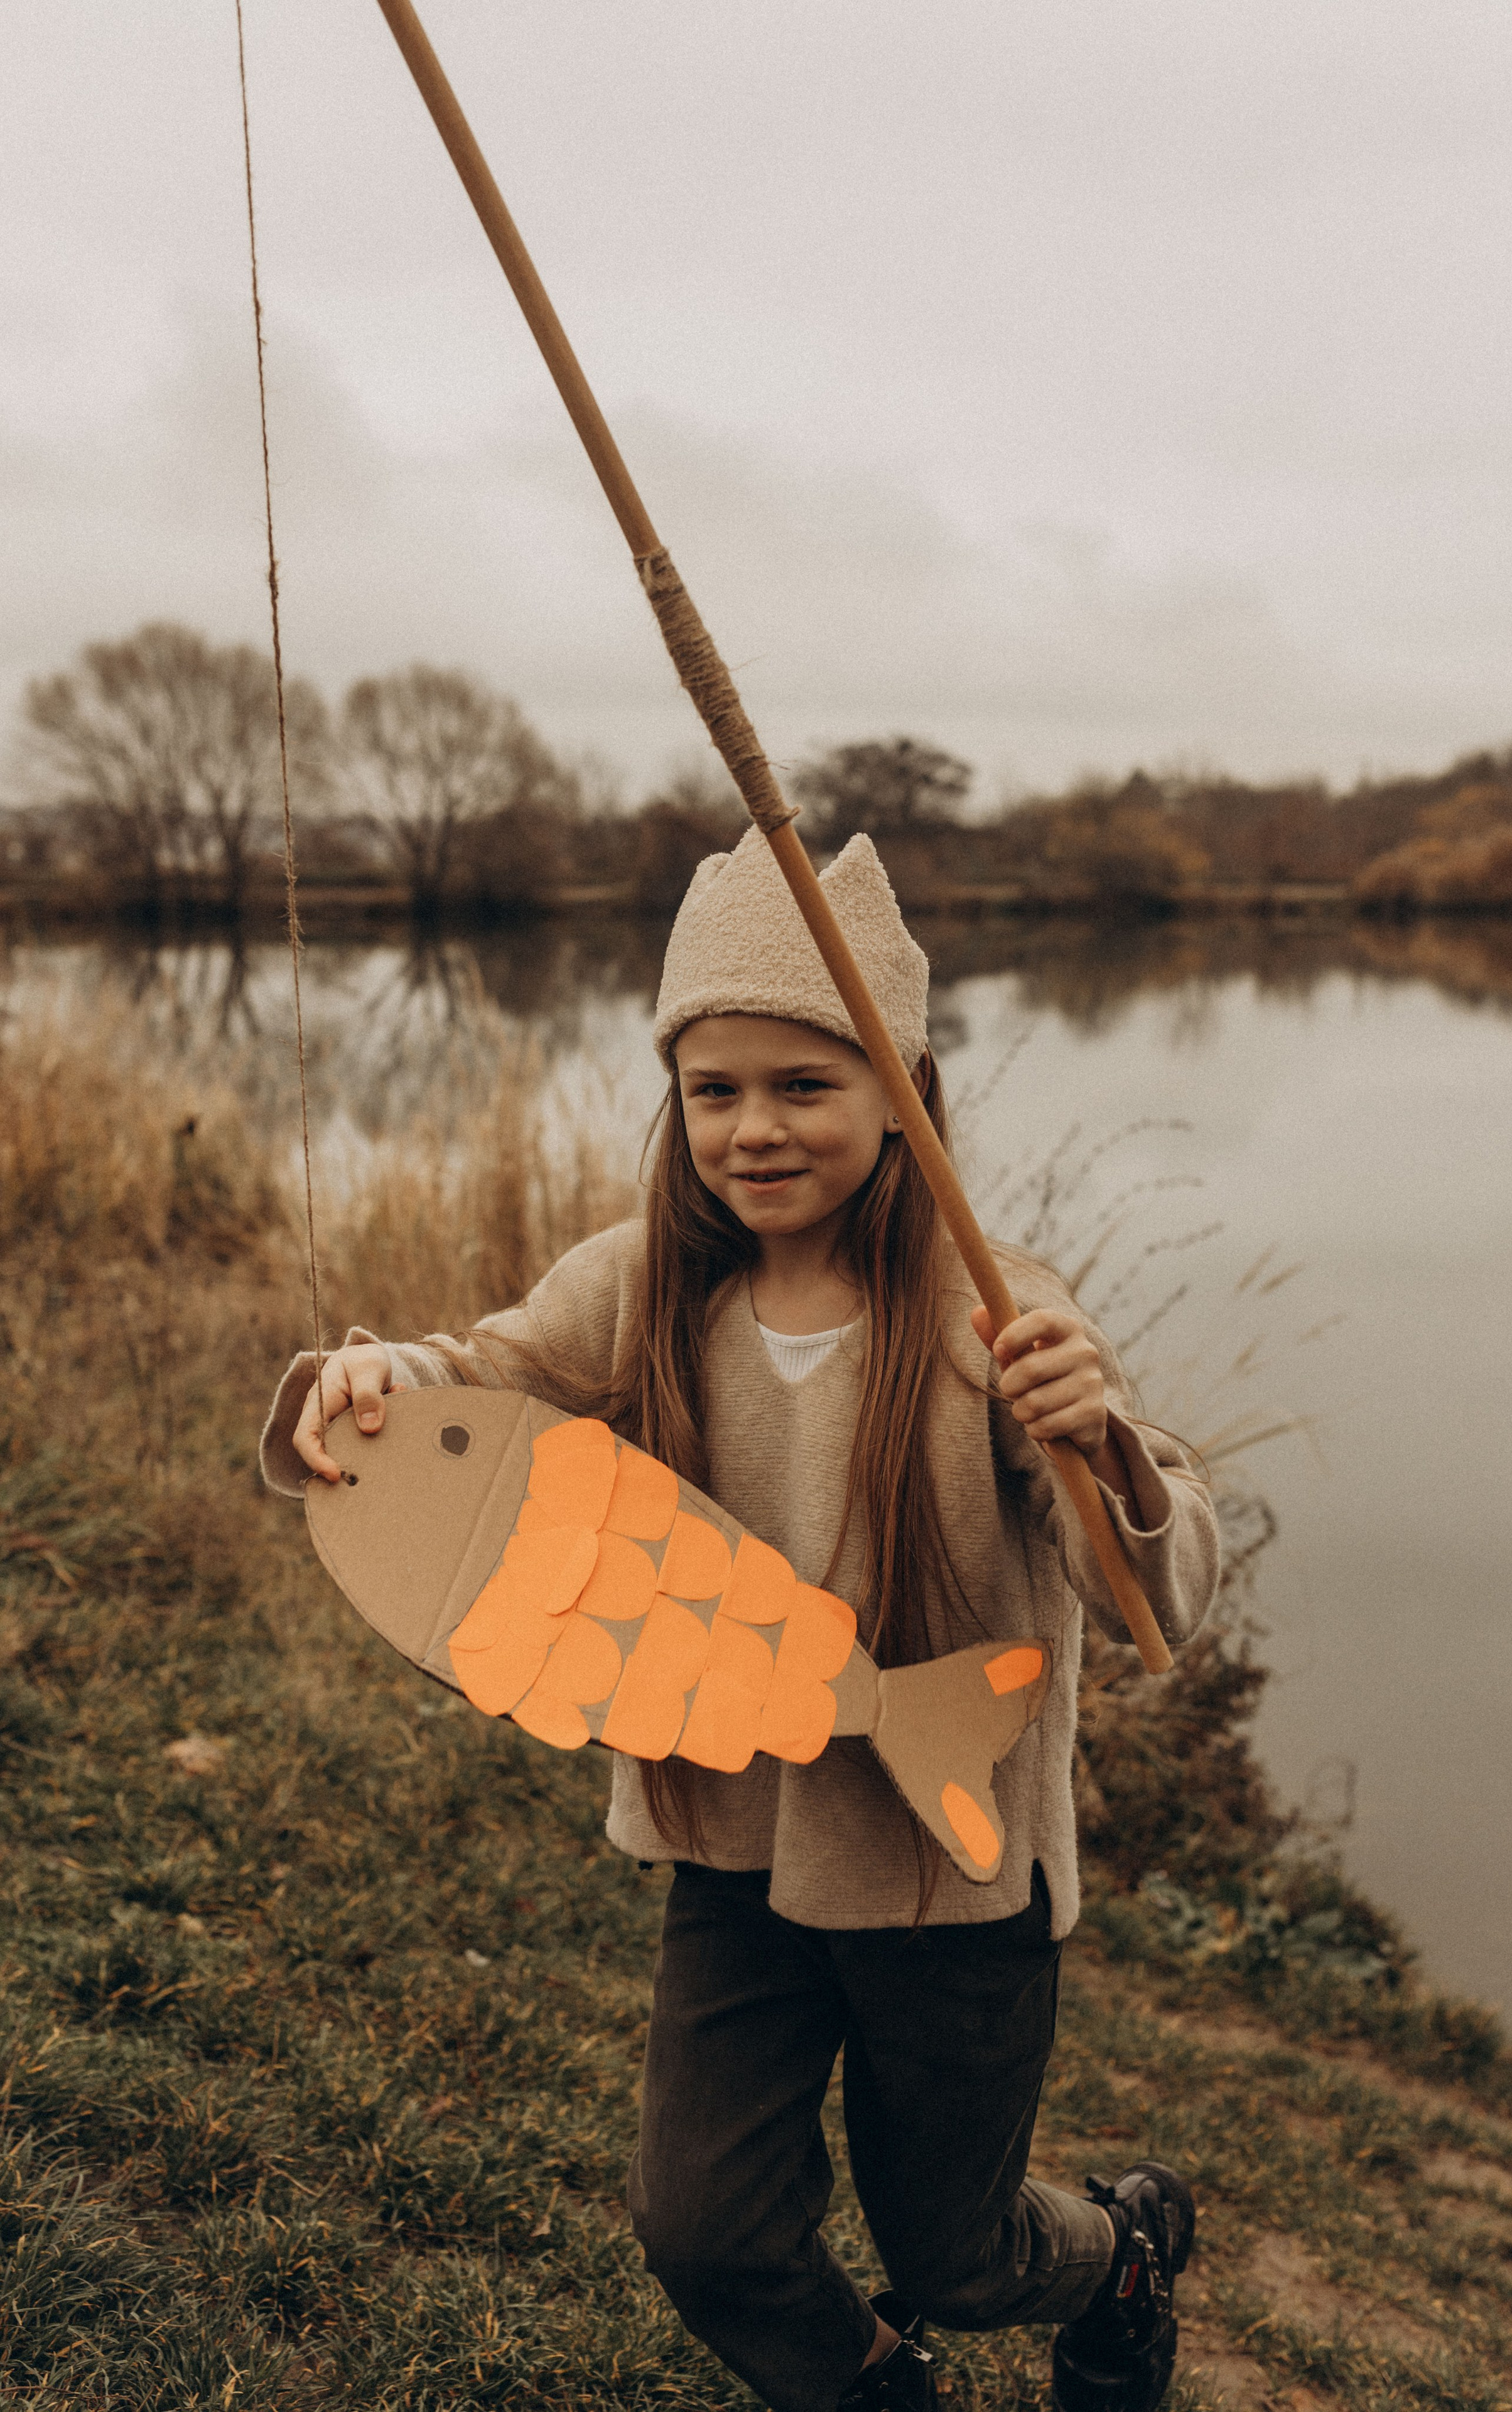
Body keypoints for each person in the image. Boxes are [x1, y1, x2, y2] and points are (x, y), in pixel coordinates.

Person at [263, 827, 1219, 2412]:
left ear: (900, 1092)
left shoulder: (996, 1311)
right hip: (734, 1853)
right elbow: (480, 1369)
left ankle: (1117, 2253)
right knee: (702, 2229)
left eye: (803, 1084)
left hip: (950, 1872)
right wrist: (378, 1378)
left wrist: (1099, 1439)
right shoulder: (637, 1280)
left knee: (958, 2256)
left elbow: (1155, 1592)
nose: (753, 1127)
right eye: (713, 1089)